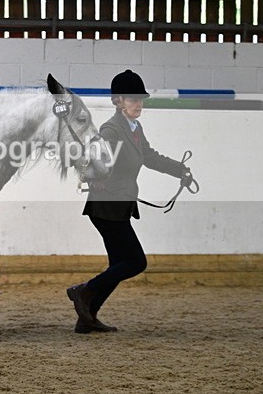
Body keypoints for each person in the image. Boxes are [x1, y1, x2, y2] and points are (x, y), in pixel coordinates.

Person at [67, 69, 194, 334]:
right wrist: (95, 176)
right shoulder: (112, 129)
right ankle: (84, 291)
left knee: (118, 264)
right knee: (136, 261)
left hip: (119, 205)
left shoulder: (135, 128)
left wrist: (179, 169)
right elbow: (97, 156)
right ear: (118, 101)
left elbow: (149, 157)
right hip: (106, 205)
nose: (138, 104)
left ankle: (86, 318)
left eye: (140, 99)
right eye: (132, 99)